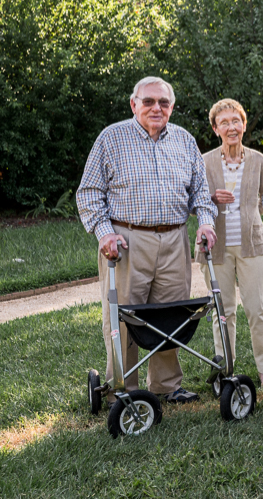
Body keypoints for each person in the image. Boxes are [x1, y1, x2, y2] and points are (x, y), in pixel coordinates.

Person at [77, 76, 217, 405]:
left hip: (174, 240)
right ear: (134, 104)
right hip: (126, 241)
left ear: (171, 107)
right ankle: (121, 389)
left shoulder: (184, 140)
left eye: (163, 102)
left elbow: (201, 192)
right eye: (149, 101)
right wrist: (104, 233)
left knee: (170, 314)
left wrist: (206, 223)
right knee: (123, 316)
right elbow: (89, 194)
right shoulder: (111, 138)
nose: (156, 108)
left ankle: (166, 385)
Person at [197, 99, 263, 389]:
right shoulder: (203, 162)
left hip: (251, 244)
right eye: (225, 122)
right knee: (223, 311)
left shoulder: (258, 160)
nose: (232, 127)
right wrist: (211, 199)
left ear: (243, 125)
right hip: (216, 247)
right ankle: (225, 370)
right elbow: (193, 203)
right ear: (215, 128)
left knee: (258, 309)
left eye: (236, 121)